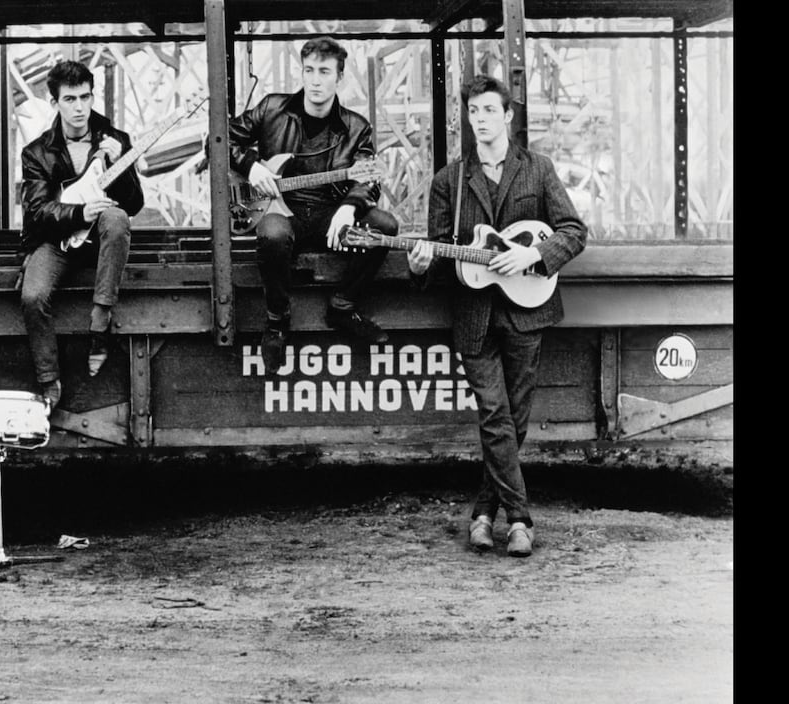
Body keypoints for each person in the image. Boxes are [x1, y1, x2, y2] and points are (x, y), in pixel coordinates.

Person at [409, 75, 587, 557]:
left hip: (528, 309)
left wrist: (532, 258)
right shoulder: (450, 181)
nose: (481, 119)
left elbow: (573, 230)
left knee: (515, 418)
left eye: (490, 110)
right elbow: (441, 253)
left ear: (508, 116)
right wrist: (421, 264)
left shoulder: (539, 169)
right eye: (474, 111)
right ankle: (521, 520)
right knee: (494, 414)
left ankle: (484, 514)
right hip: (474, 315)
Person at [229, 36, 398, 371]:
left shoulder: (357, 128)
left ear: (340, 78)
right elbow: (220, 139)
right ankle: (277, 318)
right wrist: (252, 167)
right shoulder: (271, 109)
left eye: (324, 71)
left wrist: (350, 206)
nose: (315, 80)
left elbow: (368, 179)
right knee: (273, 234)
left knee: (384, 227)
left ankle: (343, 305)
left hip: (328, 216)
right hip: (279, 210)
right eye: (309, 70)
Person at [18, 60, 144, 407]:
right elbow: (37, 212)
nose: (79, 108)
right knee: (32, 296)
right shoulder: (36, 152)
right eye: (70, 99)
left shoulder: (115, 140)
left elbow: (133, 205)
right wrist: (78, 212)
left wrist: (124, 169)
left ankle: (99, 324)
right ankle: (48, 379)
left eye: (85, 98)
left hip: (101, 241)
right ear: (54, 103)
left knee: (116, 218)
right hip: (58, 241)